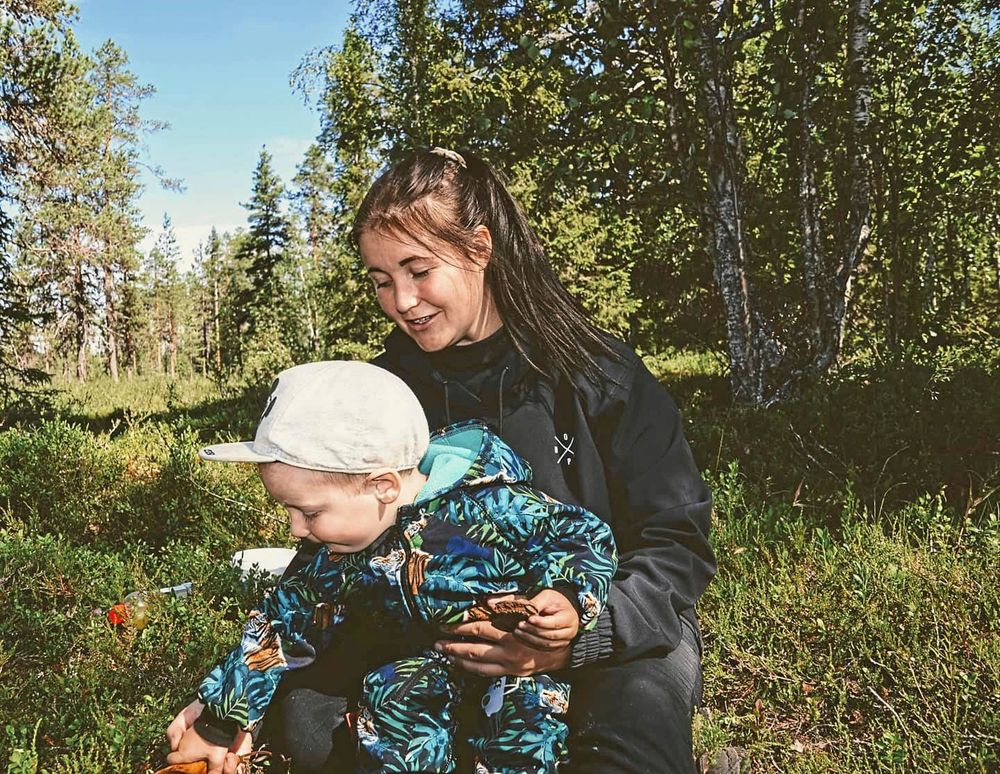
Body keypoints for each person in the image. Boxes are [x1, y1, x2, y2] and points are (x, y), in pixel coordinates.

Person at [272, 147, 717, 773]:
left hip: (609, 634)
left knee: (632, 730)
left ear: (479, 248)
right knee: (308, 724)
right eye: (381, 280)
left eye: (418, 270)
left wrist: (578, 633)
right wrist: (227, 709)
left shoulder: (600, 374)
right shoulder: (382, 396)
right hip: (434, 637)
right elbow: (333, 542)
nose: (402, 301)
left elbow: (676, 542)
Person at [163, 360, 617, 774]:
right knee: (390, 692)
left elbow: (582, 535)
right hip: (421, 672)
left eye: (309, 512)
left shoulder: (491, 505)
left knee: (522, 720)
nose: (296, 529)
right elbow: (279, 627)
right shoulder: (338, 552)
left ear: (382, 486)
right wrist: (217, 723)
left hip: (509, 665)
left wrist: (568, 597)